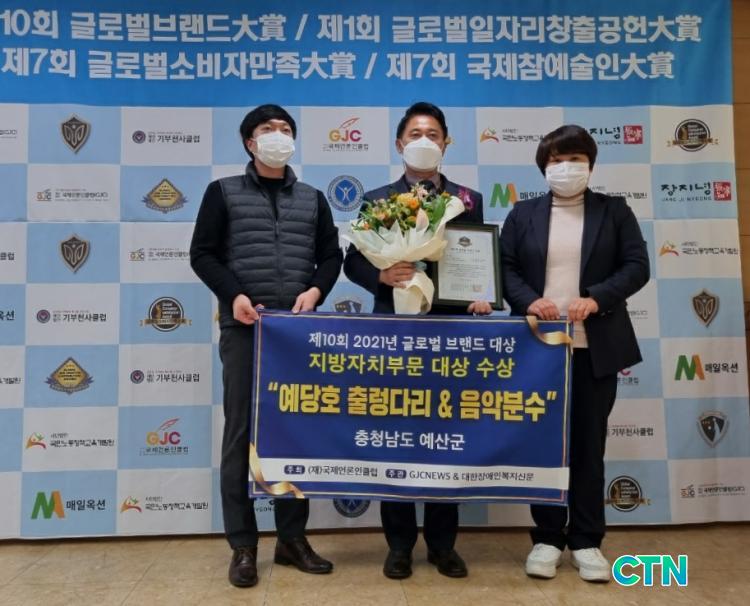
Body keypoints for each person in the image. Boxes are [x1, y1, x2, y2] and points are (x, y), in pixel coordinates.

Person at [190, 104, 343, 588]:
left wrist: (316, 291)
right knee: (240, 435)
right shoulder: (222, 192)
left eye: (285, 129)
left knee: (294, 435)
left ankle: (292, 539)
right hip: (245, 328)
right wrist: (233, 295)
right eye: (267, 129)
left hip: (296, 334)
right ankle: (243, 545)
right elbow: (202, 254)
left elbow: (331, 256)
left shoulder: (312, 198)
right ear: (249, 142)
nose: (278, 135)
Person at [344, 101, 491, 580]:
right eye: (415, 134)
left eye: (433, 134)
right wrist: (381, 275)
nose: (424, 141)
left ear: (446, 143)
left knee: (446, 439)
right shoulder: (377, 198)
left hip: (451, 333)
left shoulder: (468, 199)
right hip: (395, 333)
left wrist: (480, 294)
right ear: (399, 143)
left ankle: (443, 545)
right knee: (397, 439)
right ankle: (400, 545)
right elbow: (353, 260)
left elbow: (476, 256)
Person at [500, 125, 649, 583]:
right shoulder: (522, 214)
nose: (566, 168)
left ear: (591, 164)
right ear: (543, 167)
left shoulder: (614, 211)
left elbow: (637, 266)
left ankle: (586, 540)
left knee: (588, 446)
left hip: (594, 347)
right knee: (542, 445)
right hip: (539, 350)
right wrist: (529, 301)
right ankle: (547, 537)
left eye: (576, 159)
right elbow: (504, 267)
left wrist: (597, 298)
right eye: (557, 160)